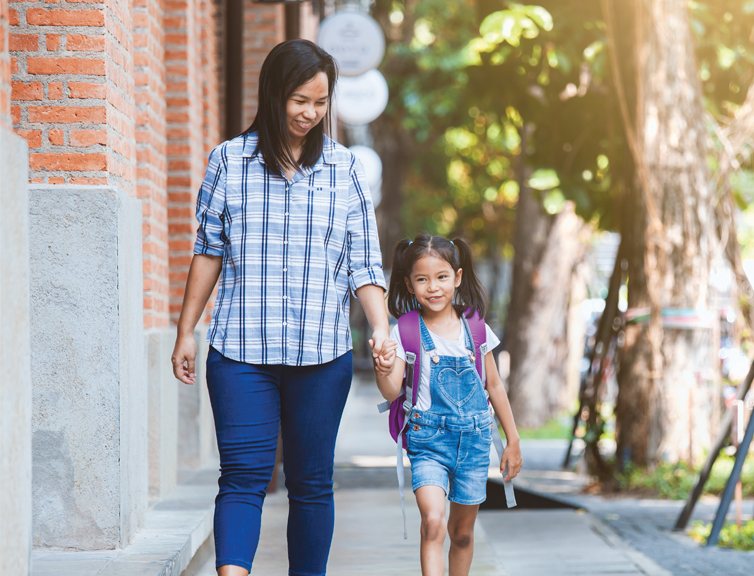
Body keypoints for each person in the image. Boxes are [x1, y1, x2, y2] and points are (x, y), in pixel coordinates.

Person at [170, 39, 391, 576]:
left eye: (320, 103)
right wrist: (186, 331)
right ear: (273, 94)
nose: (310, 114)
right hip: (241, 352)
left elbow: (365, 264)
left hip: (322, 355)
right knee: (243, 476)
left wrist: (382, 329)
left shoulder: (344, 170)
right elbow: (209, 253)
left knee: (312, 483)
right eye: (299, 100)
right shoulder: (228, 161)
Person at [372, 234, 523, 576]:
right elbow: (392, 391)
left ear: (456, 277)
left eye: (441, 277)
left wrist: (512, 440)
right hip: (428, 442)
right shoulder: (405, 331)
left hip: (474, 442)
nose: (433, 287)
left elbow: (494, 386)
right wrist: (383, 369)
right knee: (434, 523)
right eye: (422, 279)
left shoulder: (475, 326)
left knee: (462, 534)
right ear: (409, 284)